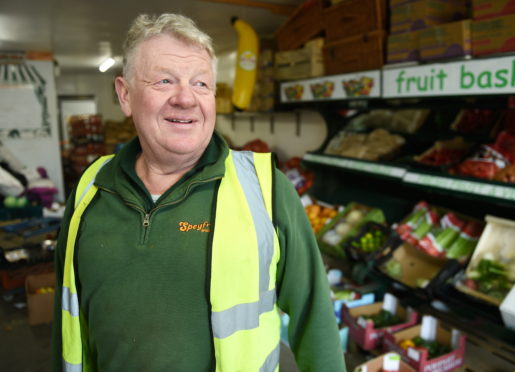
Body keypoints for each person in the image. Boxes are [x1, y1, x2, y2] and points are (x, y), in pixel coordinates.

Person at [52, 13, 346, 372]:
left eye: (201, 84)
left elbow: (315, 320)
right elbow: (66, 322)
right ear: (125, 95)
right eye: (164, 81)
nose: (186, 99)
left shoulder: (265, 189)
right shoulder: (90, 190)